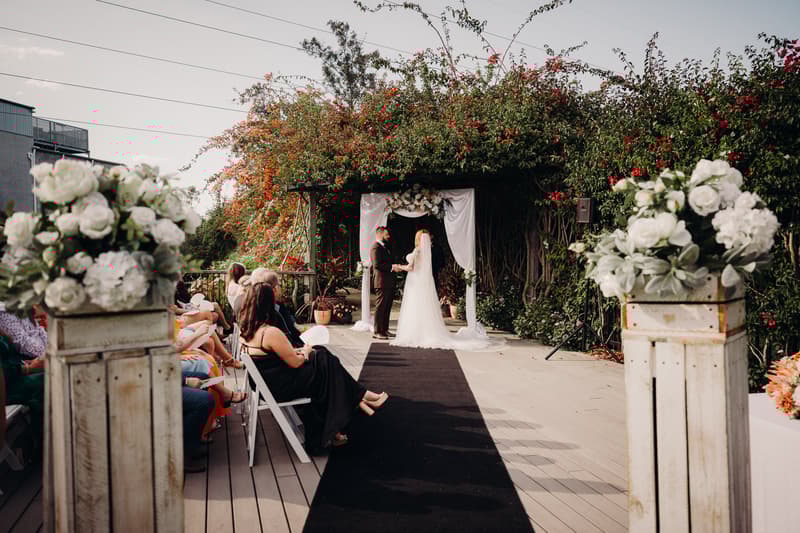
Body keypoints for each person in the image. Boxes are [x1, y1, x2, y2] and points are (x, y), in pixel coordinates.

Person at [238, 282, 388, 452]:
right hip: (279, 386)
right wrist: (306, 351)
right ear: (267, 303)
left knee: (323, 359)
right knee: (323, 361)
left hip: (268, 382)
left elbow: (278, 357)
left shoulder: (247, 329)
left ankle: (345, 416)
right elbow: (296, 362)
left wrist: (303, 352)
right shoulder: (269, 332)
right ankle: (358, 398)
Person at [391, 230, 494, 351]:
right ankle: (425, 332)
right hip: (422, 282)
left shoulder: (417, 250)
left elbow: (411, 267)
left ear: (418, 238)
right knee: (424, 307)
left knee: (415, 307)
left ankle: (415, 333)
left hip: (415, 281)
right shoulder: (427, 252)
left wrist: (398, 266)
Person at [263, 271, 303, 347]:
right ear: (275, 289)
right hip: (291, 349)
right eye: (279, 285)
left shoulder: (273, 307)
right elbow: (289, 334)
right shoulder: (274, 312)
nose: (281, 288)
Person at [370, 226, 395, 340]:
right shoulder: (376, 247)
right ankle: (377, 331)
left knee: (387, 307)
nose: (388, 236)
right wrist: (392, 267)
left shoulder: (384, 247)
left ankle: (384, 329)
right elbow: (377, 265)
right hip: (381, 282)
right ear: (380, 234)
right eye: (386, 234)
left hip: (388, 282)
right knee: (380, 307)